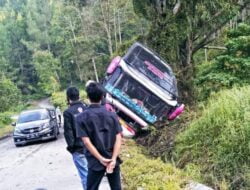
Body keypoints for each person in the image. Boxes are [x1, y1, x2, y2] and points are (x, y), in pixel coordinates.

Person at [76, 82, 122, 190]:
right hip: (112, 159)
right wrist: (114, 159)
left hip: (95, 161)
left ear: (87, 97)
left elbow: (86, 142)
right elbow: (118, 138)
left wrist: (100, 159)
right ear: (102, 97)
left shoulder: (81, 117)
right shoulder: (112, 115)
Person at [63, 87, 88, 189]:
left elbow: (68, 132)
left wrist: (71, 148)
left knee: (85, 175)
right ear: (79, 96)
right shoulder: (87, 108)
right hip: (92, 148)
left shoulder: (68, 112)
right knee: (92, 174)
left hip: (79, 148)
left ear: (68, 98)